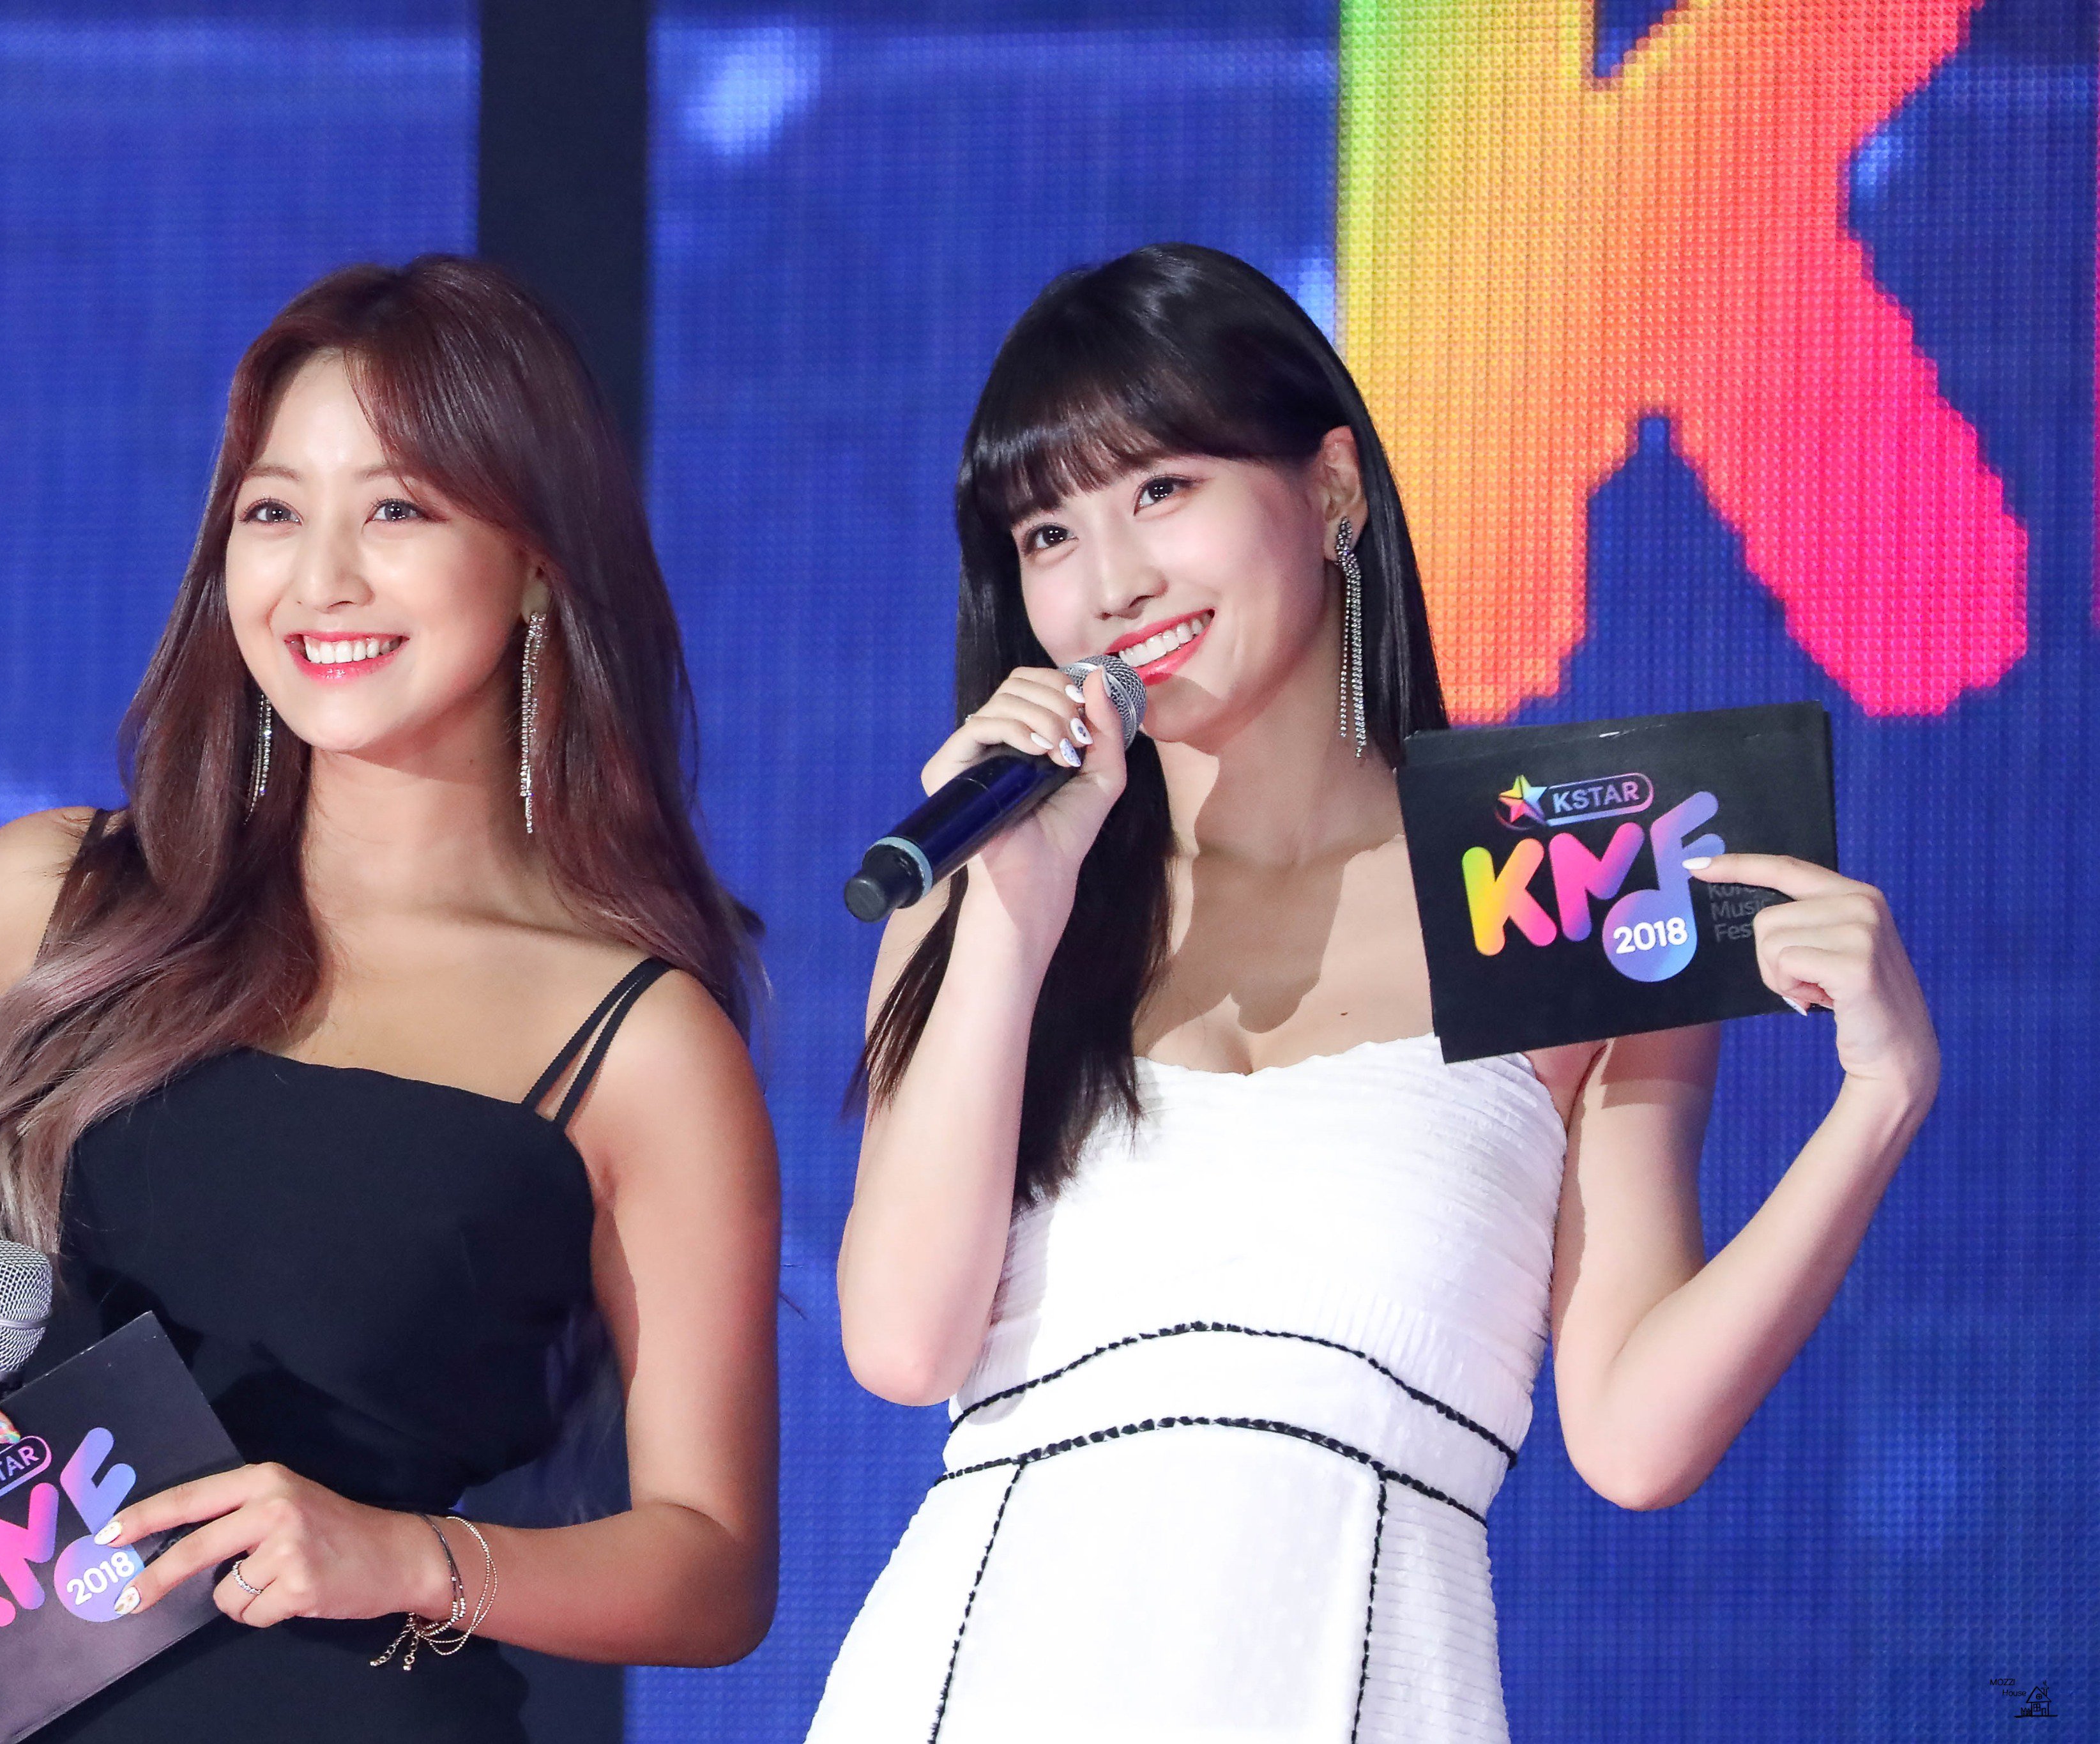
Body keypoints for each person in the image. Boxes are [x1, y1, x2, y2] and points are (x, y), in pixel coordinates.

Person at [807, 243, 1936, 1741]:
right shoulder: (990, 894)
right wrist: (1013, 911)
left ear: (1330, 489)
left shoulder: (1572, 879)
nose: (1110, 581)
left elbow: (1633, 1437)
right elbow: (900, 1346)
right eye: (1046, 533)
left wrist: (1878, 1101)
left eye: (1161, 489)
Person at [0, 256, 780, 1741]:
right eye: (271, 512)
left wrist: (400, 1555)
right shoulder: (45, 901)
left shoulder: (637, 1045)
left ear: (534, 562)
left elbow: (711, 1566)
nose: (320, 581)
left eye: (395, 510)